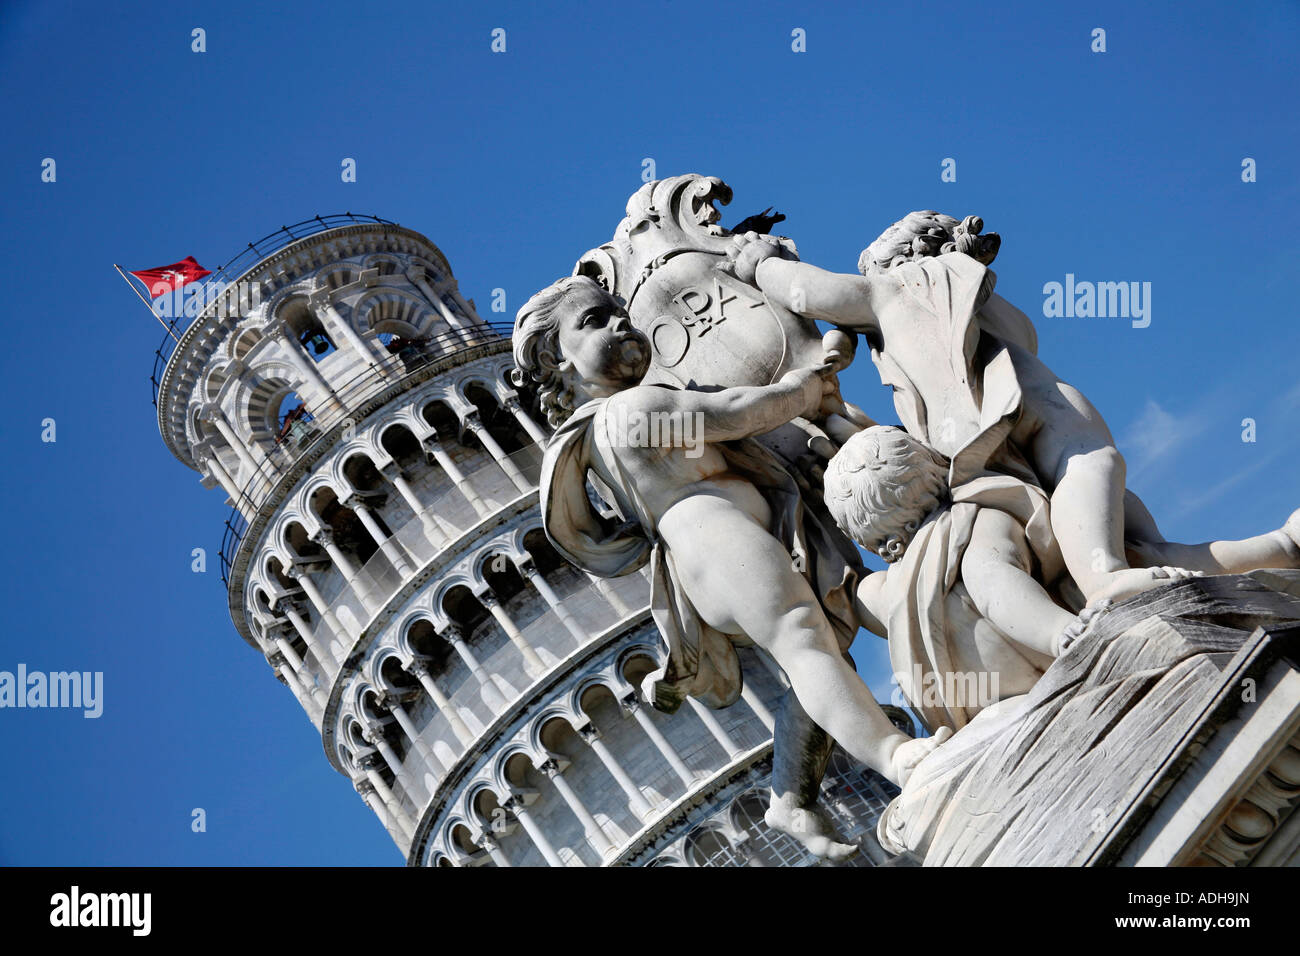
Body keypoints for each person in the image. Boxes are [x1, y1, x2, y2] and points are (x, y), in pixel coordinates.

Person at [511, 274, 951, 798]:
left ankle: (791, 796)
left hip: (736, 536)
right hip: (715, 537)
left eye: (618, 311)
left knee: (818, 644)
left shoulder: (616, 417)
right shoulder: (628, 411)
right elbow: (737, 413)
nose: (619, 323)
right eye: (593, 321)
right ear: (557, 363)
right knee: (803, 640)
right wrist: (806, 384)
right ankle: (896, 757)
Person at [731, 216, 1203, 610]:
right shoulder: (969, 296)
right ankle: (1104, 578)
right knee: (1092, 468)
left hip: (985, 428)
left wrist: (763, 263)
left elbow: (807, 291)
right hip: (1027, 413)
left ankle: (1263, 552)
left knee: (1123, 518)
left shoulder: (892, 291)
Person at [825, 424, 1300, 732]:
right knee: (1150, 552)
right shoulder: (974, 518)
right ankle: (1282, 546)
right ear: (932, 469)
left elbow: (849, 598)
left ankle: (1283, 546)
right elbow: (995, 582)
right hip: (1048, 645)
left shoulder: (881, 590)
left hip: (989, 705)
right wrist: (1059, 631)